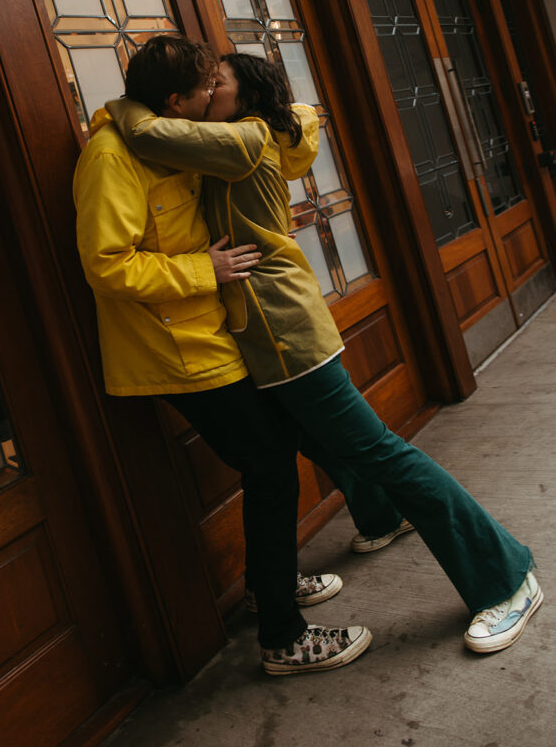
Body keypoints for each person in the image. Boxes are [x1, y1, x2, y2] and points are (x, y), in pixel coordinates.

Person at [107, 49, 543, 659]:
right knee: (322, 442)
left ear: (248, 98)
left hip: (289, 334)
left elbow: (151, 131)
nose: (209, 93)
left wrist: (116, 107)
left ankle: (505, 575)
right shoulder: (232, 136)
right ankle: (380, 517)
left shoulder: (244, 138)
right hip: (266, 340)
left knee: (382, 452)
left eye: (219, 84)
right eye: (203, 86)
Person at [73, 35, 377, 676]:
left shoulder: (177, 136)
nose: (218, 97)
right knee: (270, 466)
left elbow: (290, 151)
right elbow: (107, 265)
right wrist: (202, 269)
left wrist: (279, 108)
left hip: (213, 336)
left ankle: (273, 586)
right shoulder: (110, 157)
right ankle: (283, 637)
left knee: (277, 453)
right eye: (208, 89)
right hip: (174, 350)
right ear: (177, 99)